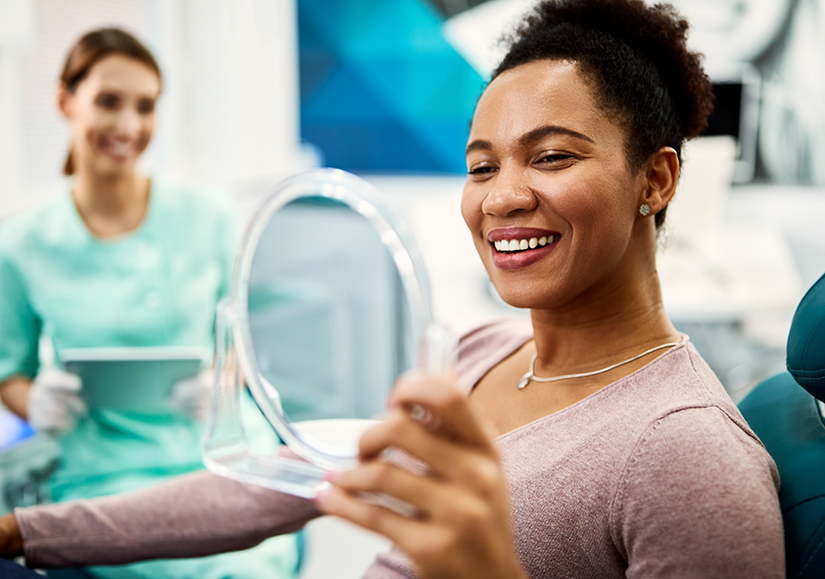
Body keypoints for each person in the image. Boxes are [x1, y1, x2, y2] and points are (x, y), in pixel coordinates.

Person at [0, 2, 785, 578]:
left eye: (550, 156)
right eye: (481, 166)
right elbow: (261, 493)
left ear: (655, 177)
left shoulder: (687, 457)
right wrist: (22, 531)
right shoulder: (474, 359)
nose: (500, 197)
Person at [0, 28, 300, 578]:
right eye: (109, 102)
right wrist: (35, 402)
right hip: (100, 470)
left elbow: (242, 348)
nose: (130, 126)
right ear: (65, 101)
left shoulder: (207, 218)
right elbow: (8, 374)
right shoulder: (21, 246)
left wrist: (219, 381)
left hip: (215, 452)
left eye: (146, 106)